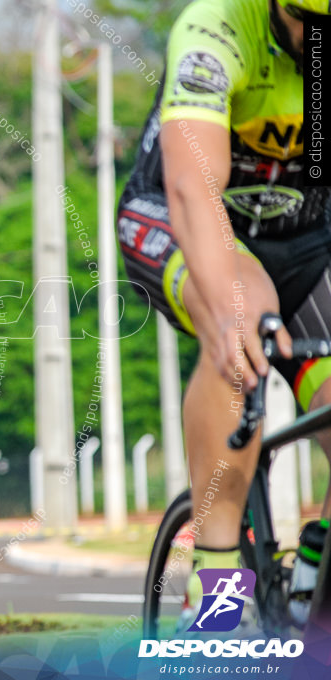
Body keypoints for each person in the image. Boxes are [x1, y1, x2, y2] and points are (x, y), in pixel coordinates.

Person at [118, 0, 331, 626]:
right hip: (184, 217)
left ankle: (317, 558)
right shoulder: (215, 26)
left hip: (307, 236)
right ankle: (215, 586)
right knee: (240, 325)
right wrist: (229, 309)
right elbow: (194, 185)